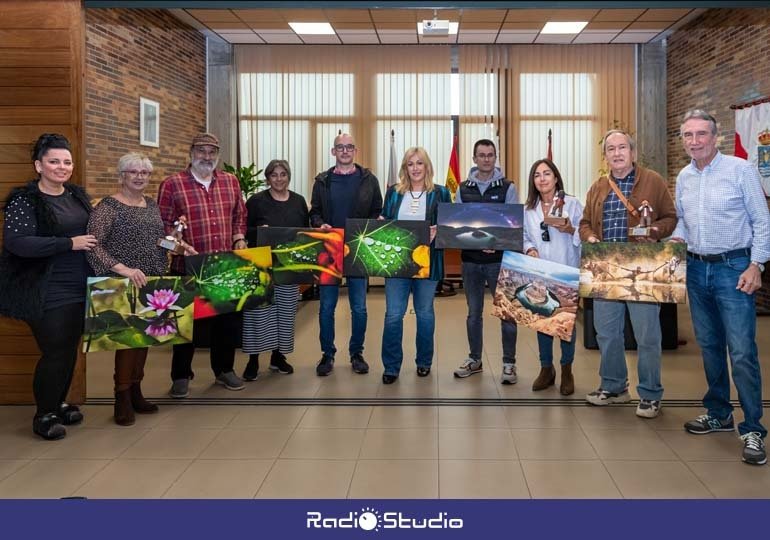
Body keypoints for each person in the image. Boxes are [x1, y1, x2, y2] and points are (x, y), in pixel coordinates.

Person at [672, 109, 770, 466]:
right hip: (697, 269)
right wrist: (672, 246)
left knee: (741, 351)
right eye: (688, 135)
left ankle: (753, 428)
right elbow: (683, 222)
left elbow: (762, 220)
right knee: (710, 346)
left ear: (716, 138)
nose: (695, 141)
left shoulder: (740, 170)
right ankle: (718, 413)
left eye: (701, 134)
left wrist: (756, 264)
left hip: (734, 269)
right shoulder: (684, 176)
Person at [0, 134, 96, 440]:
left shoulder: (76, 196)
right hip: (45, 288)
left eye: (67, 162)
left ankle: (58, 402)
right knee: (55, 351)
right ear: (38, 165)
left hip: (80, 284)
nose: (62, 167)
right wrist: (69, 243)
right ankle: (43, 415)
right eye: (54, 161)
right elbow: (18, 243)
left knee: (69, 350)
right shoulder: (24, 200)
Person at [87, 153, 194, 425]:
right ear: (122, 175)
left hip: (153, 280)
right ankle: (121, 397)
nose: (139, 177)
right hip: (123, 283)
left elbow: (158, 241)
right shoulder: (108, 207)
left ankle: (136, 391)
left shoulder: (151, 205)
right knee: (126, 342)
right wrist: (122, 268)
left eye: (144, 173)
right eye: (133, 172)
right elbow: (93, 245)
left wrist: (181, 247)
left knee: (145, 338)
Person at [578, 128, 677, 418]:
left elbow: (670, 217)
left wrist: (656, 230)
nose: (617, 153)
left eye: (622, 147)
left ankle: (649, 393)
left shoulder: (653, 182)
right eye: (611, 149)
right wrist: (590, 237)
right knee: (607, 332)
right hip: (606, 266)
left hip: (642, 267)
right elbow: (584, 222)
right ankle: (614, 387)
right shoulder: (598, 186)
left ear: (632, 152)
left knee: (647, 334)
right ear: (605, 155)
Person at [157, 133, 248, 398]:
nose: (206, 156)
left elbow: (239, 216)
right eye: (201, 151)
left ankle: (224, 370)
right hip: (188, 266)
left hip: (224, 265)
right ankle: (181, 375)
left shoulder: (230, 182)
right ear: (191, 152)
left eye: (212, 151)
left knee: (226, 323)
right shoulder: (172, 184)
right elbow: (160, 227)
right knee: (186, 325)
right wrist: (175, 244)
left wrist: (239, 237)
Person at [309, 133, 382, 376]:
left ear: (356, 151)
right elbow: (315, 213)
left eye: (349, 147)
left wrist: (372, 223)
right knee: (326, 307)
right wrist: (320, 224)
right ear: (333, 152)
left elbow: (377, 210)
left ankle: (356, 353)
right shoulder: (322, 181)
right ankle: (327, 354)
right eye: (340, 147)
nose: (345, 151)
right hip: (330, 249)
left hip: (359, 249)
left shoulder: (369, 180)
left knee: (359, 307)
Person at [379, 147, 452, 384]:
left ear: (427, 167)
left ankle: (424, 362)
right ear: (405, 168)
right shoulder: (393, 193)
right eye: (410, 164)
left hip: (427, 263)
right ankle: (391, 366)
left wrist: (438, 231)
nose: (416, 168)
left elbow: (450, 227)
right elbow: (384, 223)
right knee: (393, 315)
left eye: (420, 163)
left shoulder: (440, 193)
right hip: (396, 263)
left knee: (424, 314)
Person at [452, 139, 519, 384]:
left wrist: (497, 242)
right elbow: (458, 223)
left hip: (499, 261)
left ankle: (509, 364)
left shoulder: (508, 187)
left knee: (507, 313)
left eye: (490, 155)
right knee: (473, 313)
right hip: (470, 261)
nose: (486, 159)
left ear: (495, 157)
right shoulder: (462, 188)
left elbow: (513, 224)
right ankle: (474, 359)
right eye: (481, 155)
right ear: (474, 158)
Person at [241, 159, 309, 381]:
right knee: (258, 314)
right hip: (260, 266)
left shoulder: (299, 201)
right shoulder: (256, 201)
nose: (279, 179)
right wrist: (258, 231)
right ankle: (253, 360)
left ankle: (278, 357)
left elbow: (305, 232)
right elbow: (242, 230)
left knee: (285, 313)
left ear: (289, 176)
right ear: (267, 178)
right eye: (274, 175)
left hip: (288, 266)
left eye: (283, 174)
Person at [522, 159, 583, 395]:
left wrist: (569, 229)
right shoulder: (529, 209)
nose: (542, 179)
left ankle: (567, 369)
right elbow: (526, 236)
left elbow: (584, 232)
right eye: (537, 175)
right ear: (533, 181)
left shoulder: (572, 203)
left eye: (547, 174)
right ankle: (546, 368)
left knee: (565, 322)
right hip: (540, 271)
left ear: (556, 178)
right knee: (544, 321)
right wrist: (530, 249)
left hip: (565, 269)